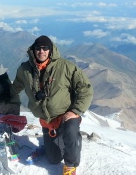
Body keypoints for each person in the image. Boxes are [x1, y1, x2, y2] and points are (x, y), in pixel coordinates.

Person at [8, 35, 93, 175]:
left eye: (45, 48)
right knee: (53, 159)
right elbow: (16, 87)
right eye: (38, 48)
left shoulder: (66, 67)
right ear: (33, 50)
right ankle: (51, 144)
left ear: (51, 49)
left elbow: (86, 88)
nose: (41, 51)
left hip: (66, 116)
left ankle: (71, 165)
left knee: (71, 131)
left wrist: (76, 110)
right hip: (47, 121)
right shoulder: (25, 70)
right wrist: (2, 95)